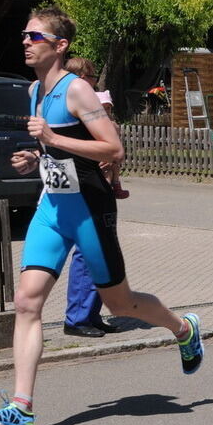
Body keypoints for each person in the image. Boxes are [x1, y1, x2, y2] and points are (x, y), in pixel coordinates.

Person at [0, 6, 204, 425]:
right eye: (24, 34)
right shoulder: (33, 91)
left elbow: (112, 149)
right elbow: (60, 150)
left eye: (34, 36)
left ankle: (183, 328)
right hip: (52, 210)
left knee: (120, 304)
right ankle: (21, 407)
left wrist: (52, 139)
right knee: (27, 302)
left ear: (59, 46)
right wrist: (36, 157)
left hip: (89, 211)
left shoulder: (77, 90)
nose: (25, 41)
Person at [60, 57, 123, 338]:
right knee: (88, 253)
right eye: (91, 77)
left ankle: (91, 313)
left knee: (99, 253)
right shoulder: (72, 107)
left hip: (95, 186)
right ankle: (78, 318)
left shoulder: (77, 105)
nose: (95, 83)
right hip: (86, 187)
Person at [64, 56, 129, 199]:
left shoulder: (57, 99)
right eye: (93, 76)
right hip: (84, 173)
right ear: (82, 78)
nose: (95, 81)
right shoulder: (84, 103)